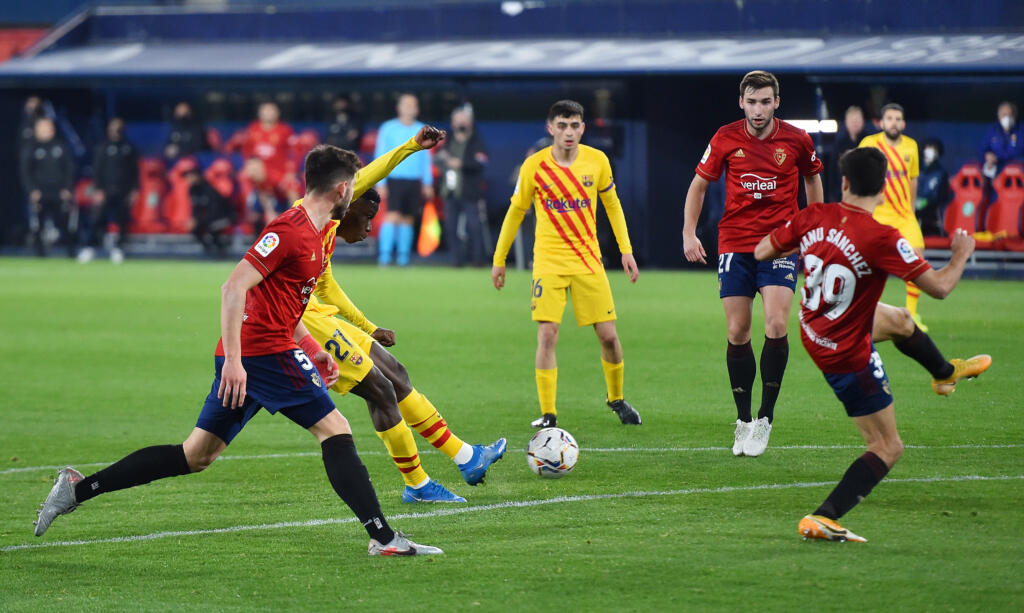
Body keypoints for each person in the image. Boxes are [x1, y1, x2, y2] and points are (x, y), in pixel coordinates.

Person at [34, 144, 443, 557]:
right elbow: (233, 288)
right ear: (341, 188)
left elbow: (283, 300)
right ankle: (384, 538)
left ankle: (76, 489)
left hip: (265, 350)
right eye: (353, 185)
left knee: (195, 455)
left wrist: (311, 347)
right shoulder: (289, 230)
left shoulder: (319, 233)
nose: (356, 193)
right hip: (260, 353)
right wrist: (234, 362)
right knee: (335, 430)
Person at [754, 147, 981, 542]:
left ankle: (945, 374)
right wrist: (960, 254)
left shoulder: (813, 215)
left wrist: (811, 245)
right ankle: (825, 516)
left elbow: (762, 251)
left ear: (843, 183)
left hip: (814, 324)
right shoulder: (882, 237)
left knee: (900, 319)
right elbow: (941, 288)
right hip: (845, 352)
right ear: (884, 189)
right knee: (888, 446)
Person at [296, 128, 506, 503]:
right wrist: (412, 147)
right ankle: (419, 486)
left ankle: (467, 457)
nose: (370, 226)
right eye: (367, 216)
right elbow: (370, 174)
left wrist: (369, 327)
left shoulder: (325, 231)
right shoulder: (309, 219)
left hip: (322, 318)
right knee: (380, 390)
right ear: (347, 198)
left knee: (394, 372)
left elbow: (327, 289)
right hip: (303, 324)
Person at [682, 70, 824, 457]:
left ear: (777, 102)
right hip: (735, 242)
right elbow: (699, 184)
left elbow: (813, 179)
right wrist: (689, 233)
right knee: (737, 330)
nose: (758, 110)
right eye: (752, 101)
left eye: (765, 101)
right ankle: (743, 421)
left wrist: (812, 229)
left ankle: (765, 419)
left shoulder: (796, 140)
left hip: (779, 243)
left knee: (777, 323)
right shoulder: (725, 137)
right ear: (741, 102)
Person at [491, 99, 642, 429]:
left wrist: (626, 250)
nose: (569, 132)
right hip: (548, 262)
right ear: (551, 129)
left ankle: (616, 398)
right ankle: (548, 414)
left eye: (574, 125)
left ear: (583, 128)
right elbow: (516, 211)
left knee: (609, 337)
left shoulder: (597, 161)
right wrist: (499, 259)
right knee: (547, 336)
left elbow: (613, 206)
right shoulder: (534, 166)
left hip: (589, 262)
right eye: (562, 125)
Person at [857, 103, 928, 331]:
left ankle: (912, 314)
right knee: (863, 264)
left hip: (903, 214)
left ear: (903, 123)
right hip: (876, 214)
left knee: (917, 258)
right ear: (881, 122)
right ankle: (861, 313)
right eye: (889, 118)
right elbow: (856, 174)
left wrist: (912, 210)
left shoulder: (911, 146)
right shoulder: (869, 144)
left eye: (898, 119)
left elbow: (913, 179)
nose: (894, 122)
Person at [374, 93, 434, 267]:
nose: (410, 108)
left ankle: (403, 258)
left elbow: (426, 159)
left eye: (413, 105)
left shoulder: (423, 129)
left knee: (408, 218)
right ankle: (384, 257)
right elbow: (381, 156)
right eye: (406, 105)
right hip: (393, 179)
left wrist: (428, 183)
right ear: (398, 107)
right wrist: (381, 182)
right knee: (392, 216)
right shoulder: (388, 128)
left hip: (414, 181)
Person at [435, 104, 490, 267]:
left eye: (463, 121)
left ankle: (478, 261)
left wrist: (461, 163)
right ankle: (456, 261)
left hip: (470, 191)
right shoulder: (448, 140)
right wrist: (442, 157)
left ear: (470, 122)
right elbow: (436, 159)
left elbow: (482, 161)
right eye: (457, 121)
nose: (460, 124)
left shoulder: (476, 140)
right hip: (450, 190)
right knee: (451, 227)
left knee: (474, 226)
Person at [80, 117, 139, 264]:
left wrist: (135, 190)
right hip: (105, 190)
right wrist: (99, 189)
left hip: (123, 191)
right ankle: (90, 247)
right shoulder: (102, 147)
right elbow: (97, 170)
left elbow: (135, 171)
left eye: (119, 127)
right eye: (113, 127)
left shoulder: (129, 148)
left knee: (122, 220)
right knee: (97, 219)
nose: (116, 130)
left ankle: (118, 249)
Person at [19, 116, 77, 257]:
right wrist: (32, 190)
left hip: (58, 192)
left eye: (48, 127)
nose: (46, 131)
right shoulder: (31, 148)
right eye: (42, 128)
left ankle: (71, 254)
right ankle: (40, 255)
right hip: (40, 193)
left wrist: (67, 188)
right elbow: (26, 172)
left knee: (64, 223)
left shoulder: (61, 147)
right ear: (36, 130)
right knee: (38, 225)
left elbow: (70, 169)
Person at [185, 161, 236, 257]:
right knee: (196, 229)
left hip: (224, 216)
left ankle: (221, 253)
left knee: (213, 229)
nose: (189, 179)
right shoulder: (192, 189)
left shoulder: (209, 188)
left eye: (191, 176)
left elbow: (216, 208)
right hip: (210, 218)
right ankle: (209, 250)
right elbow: (195, 207)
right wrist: (194, 219)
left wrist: (204, 221)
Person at [830, 106, 870, 202]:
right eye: (852, 120)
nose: (855, 123)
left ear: (863, 121)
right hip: (842, 195)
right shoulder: (839, 144)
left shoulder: (870, 142)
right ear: (846, 122)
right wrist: (832, 196)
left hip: (865, 195)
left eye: (857, 119)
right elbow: (832, 172)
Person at [916, 139, 950, 237]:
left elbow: (941, 196)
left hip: (931, 206)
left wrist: (926, 202)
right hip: (914, 202)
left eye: (934, 149)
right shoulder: (916, 169)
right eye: (928, 148)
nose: (930, 151)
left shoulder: (941, 172)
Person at [980, 101, 1023, 179]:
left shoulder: (1021, 131)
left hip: (1017, 175)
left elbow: (1019, 152)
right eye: (1004, 115)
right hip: (996, 175)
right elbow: (983, 149)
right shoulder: (993, 130)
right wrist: (987, 155)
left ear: (1015, 116)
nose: (1007, 118)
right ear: (999, 116)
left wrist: (998, 158)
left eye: (1011, 115)